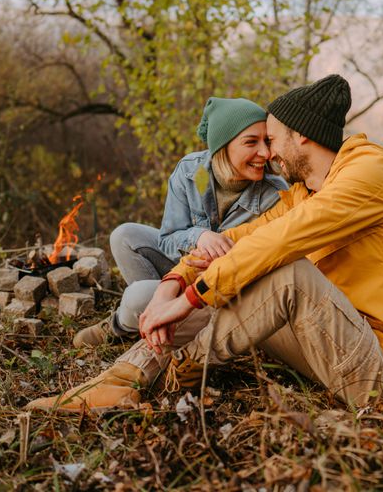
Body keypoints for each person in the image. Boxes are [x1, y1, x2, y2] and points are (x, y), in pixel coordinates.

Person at [28, 74, 383, 413]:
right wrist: (172, 283)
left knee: (284, 272)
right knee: (229, 270)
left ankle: (181, 365)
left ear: (302, 137)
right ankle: (117, 384)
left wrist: (190, 300)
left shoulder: (368, 175)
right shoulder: (304, 194)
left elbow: (279, 242)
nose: (269, 153)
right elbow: (239, 239)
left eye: (273, 139)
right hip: (328, 343)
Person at [72, 96, 287, 348]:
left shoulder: (275, 194)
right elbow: (167, 238)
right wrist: (198, 236)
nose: (265, 153)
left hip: (218, 289)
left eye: (267, 141)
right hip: (182, 270)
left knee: (137, 294)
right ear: (223, 146)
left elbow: (264, 265)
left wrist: (218, 260)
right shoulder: (190, 171)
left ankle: (121, 325)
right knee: (123, 235)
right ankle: (154, 319)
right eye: (251, 142)